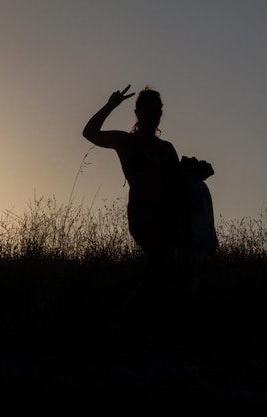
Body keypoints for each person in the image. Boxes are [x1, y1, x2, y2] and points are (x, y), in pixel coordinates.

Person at [83, 85, 184, 334]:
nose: (152, 117)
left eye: (156, 112)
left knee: (157, 271)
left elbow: (177, 183)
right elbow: (89, 132)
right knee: (167, 268)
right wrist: (110, 105)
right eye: (146, 112)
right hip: (142, 214)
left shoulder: (168, 148)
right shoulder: (126, 142)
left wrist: (196, 173)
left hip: (166, 217)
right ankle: (120, 318)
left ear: (161, 114)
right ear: (137, 113)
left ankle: (143, 326)